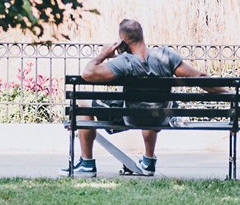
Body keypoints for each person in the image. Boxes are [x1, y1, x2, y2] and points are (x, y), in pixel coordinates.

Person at [62, 19, 225, 178]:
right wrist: (228, 94)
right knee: (153, 104)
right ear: (142, 36)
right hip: (159, 118)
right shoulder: (166, 56)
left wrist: (103, 54)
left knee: (80, 103)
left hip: (131, 117)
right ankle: (148, 161)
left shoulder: (124, 61)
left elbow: (88, 73)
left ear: (123, 42)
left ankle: (87, 163)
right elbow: (199, 77)